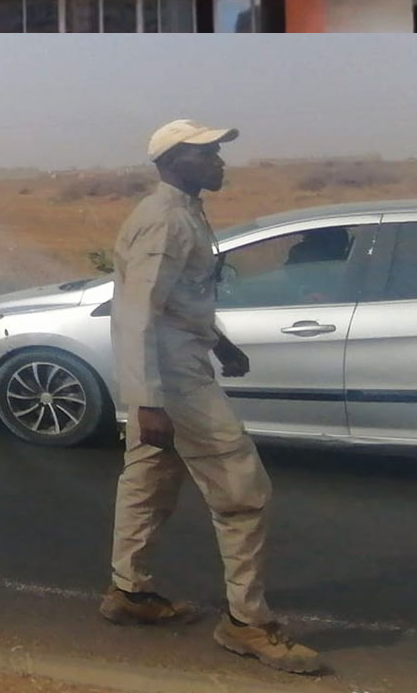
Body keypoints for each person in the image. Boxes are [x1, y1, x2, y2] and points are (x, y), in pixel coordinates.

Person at [101, 120, 323, 676]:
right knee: (244, 490)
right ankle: (247, 622)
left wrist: (221, 344)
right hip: (173, 378)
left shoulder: (185, 211)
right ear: (175, 160)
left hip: (181, 364)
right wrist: (147, 400)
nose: (221, 162)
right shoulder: (164, 221)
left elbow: (182, 299)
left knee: (150, 480)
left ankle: (128, 591)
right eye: (209, 154)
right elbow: (137, 314)